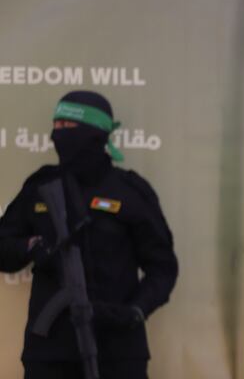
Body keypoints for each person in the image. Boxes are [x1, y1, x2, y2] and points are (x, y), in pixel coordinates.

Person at [0, 91, 178, 378]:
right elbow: (3, 247)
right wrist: (31, 248)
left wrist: (135, 311)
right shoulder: (40, 186)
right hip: (49, 352)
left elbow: (163, 268)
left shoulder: (130, 191)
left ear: (96, 133)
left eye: (67, 127)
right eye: (55, 126)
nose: (57, 135)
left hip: (118, 350)